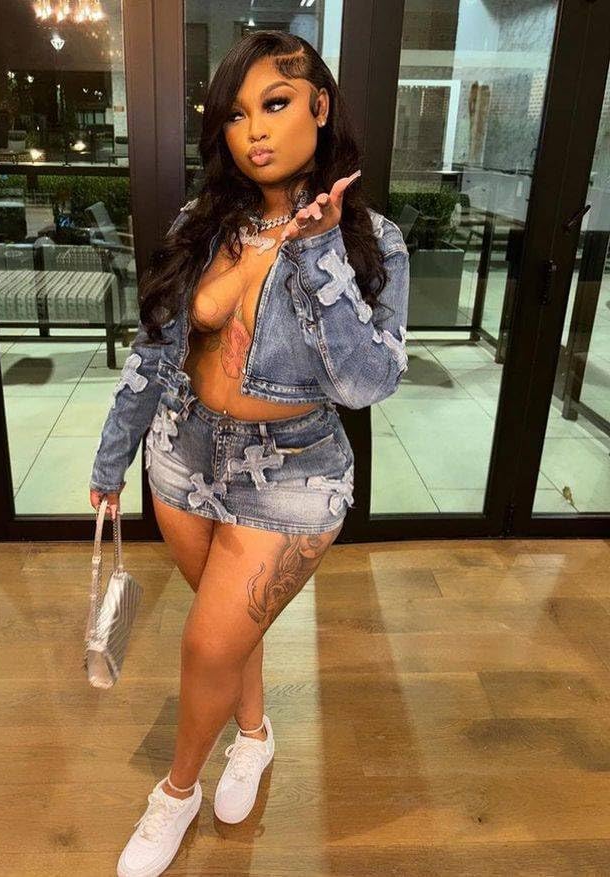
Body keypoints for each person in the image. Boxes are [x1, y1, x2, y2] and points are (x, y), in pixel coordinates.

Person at [89, 29, 409, 877]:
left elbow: (367, 384)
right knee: (230, 627)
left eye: (275, 103)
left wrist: (317, 250)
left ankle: (175, 793)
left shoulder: (372, 239)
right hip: (182, 453)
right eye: (235, 113)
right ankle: (255, 734)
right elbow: (154, 350)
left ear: (320, 106)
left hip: (292, 473)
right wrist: (113, 455)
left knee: (207, 643)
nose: (255, 130)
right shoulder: (204, 224)